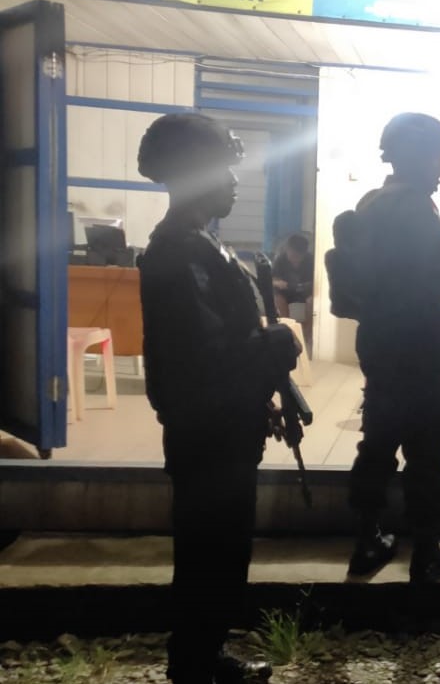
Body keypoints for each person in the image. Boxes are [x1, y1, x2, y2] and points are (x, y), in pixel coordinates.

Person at [136, 113, 300, 684]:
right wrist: (274, 345)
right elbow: (202, 357)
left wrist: (260, 395)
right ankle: (194, 664)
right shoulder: (178, 253)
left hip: (224, 427)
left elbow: (224, 345)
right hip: (207, 436)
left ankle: (206, 656)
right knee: (208, 555)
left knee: (222, 553)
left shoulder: (199, 245)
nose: (234, 181)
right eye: (224, 169)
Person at [345, 112, 440, 584]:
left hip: (379, 342)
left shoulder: (369, 204)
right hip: (420, 345)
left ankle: (367, 540)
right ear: (412, 157)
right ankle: (427, 550)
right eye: (435, 157)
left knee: (376, 443)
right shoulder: (417, 208)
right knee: (426, 450)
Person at [272, 232, 313, 319]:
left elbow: (316, 281)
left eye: (298, 257)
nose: (295, 259)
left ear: (304, 254)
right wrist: (278, 283)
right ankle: (285, 323)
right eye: (293, 255)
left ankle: (309, 326)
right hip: (286, 291)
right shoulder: (280, 259)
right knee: (278, 298)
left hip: (306, 291)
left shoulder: (311, 260)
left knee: (312, 301)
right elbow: (272, 279)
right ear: (287, 250)